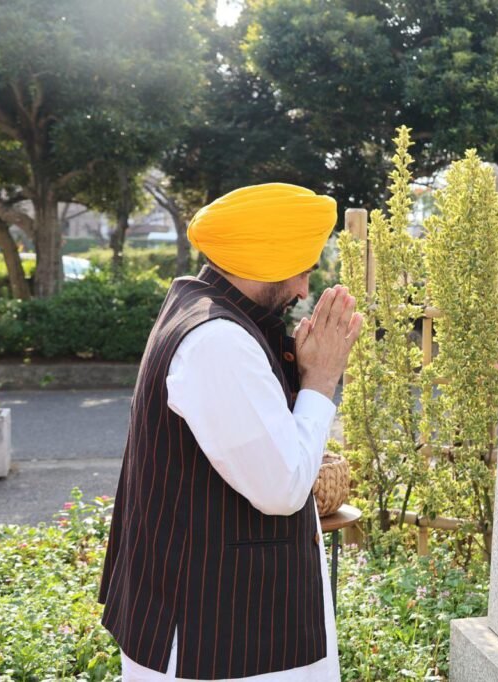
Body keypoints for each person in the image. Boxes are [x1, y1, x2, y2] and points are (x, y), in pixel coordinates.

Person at [99, 183, 363, 680]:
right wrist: (321, 381)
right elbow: (283, 486)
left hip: (223, 629)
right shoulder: (217, 341)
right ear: (266, 259)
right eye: (302, 269)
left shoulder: (206, 314)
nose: (304, 289)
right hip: (217, 640)